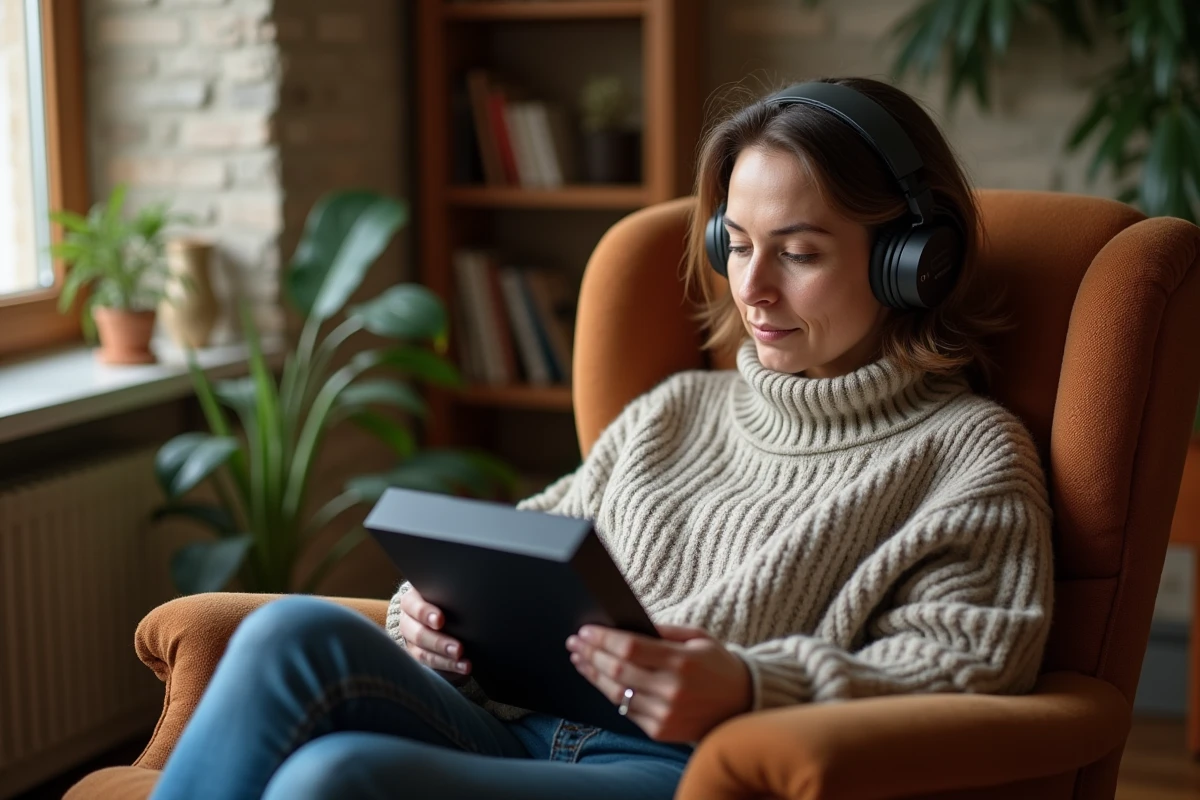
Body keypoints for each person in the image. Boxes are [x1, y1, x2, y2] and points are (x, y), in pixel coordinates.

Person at [149, 76, 1053, 800]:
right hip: (513, 727)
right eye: (736, 245)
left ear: (913, 262)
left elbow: (969, 659)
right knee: (288, 632)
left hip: (685, 773)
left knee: (333, 779)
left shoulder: (968, 450)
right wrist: (425, 615)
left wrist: (747, 684)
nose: (755, 287)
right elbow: (531, 544)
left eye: (801, 252)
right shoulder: (676, 411)